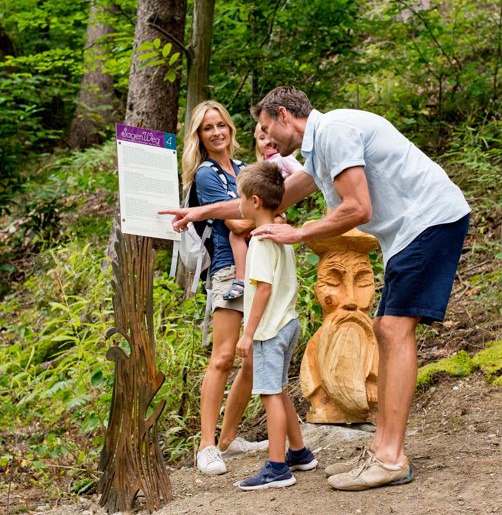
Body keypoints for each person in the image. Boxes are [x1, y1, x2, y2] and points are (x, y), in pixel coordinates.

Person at [161, 87, 470, 491]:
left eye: (268, 129)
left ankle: (391, 456)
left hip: (428, 221)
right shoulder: (321, 146)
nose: (267, 140)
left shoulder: (335, 133)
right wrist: (203, 211)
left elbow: (358, 208)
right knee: (387, 329)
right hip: (410, 231)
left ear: (285, 116)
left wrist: (299, 232)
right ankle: (383, 450)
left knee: (394, 330)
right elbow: (269, 202)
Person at [175, 100, 267, 475]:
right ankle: (206, 445)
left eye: (220, 125)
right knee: (223, 356)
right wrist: (260, 213)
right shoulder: (206, 175)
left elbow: (263, 213)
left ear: (230, 129)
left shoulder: (247, 169)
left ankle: (228, 440)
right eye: (207, 128)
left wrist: (257, 215)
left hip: (262, 267)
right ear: (199, 136)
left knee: (254, 357)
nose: (216, 133)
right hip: (228, 271)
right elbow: (240, 225)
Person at [234, 161, 317, 490]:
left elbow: (263, 288)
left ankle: (277, 466)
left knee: (270, 394)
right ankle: (299, 452)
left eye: (240, 198)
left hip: (269, 329)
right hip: (288, 321)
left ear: (254, 201)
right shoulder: (282, 234)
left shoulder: (260, 240)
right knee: (280, 390)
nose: (237, 204)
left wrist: (248, 334)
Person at [222, 123, 302, 301]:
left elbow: (303, 175)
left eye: (270, 137)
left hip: (275, 209)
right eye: (261, 138)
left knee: (245, 237)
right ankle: (244, 278)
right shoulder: (263, 163)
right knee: (240, 237)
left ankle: (243, 279)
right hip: (263, 211)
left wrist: (282, 193)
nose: (267, 142)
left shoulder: (283, 158)